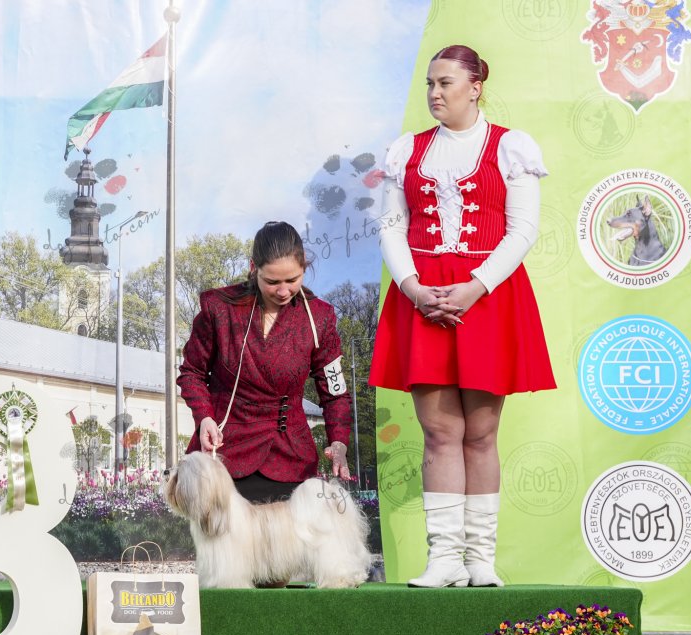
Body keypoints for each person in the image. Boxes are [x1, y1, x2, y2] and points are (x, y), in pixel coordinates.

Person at [369, 45, 556, 588]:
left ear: (475, 87)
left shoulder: (511, 147)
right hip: (423, 296)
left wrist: (475, 287)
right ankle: (444, 557)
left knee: (481, 431)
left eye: (445, 83)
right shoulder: (407, 150)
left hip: (487, 295)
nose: (434, 92)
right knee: (439, 431)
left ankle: (479, 560)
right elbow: (391, 227)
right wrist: (413, 288)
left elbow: (522, 229)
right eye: (430, 83)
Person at [177, 221, 353, 505]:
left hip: (290, 459)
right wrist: (205, 418)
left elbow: (335, 393)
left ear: (304, 268)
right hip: (225, 455)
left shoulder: (319, 319)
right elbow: (192, 373)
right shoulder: (219, 309)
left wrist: (339, 440)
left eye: (292, 280)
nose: (283, 291)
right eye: (272, 282)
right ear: (253, 268)